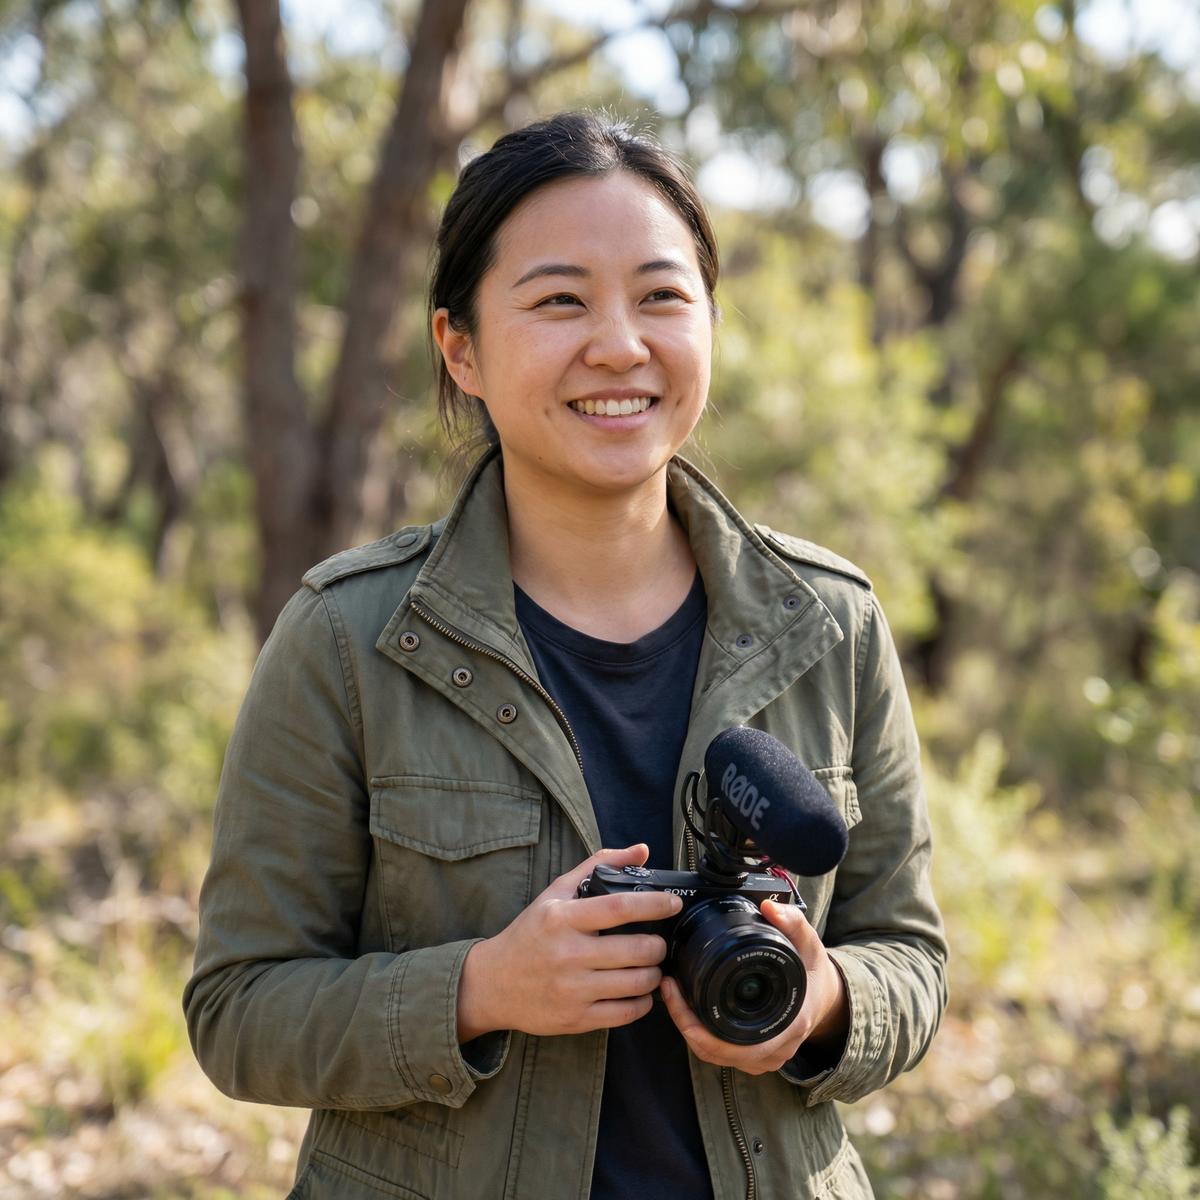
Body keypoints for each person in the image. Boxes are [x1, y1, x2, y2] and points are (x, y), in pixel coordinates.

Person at [183, 110, 947, 1200]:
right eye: (559, 300)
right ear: (462, 347)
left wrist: (820, 1004)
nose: (621, 345)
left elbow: (911, 959)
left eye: (662, 295)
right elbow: (238, 1009)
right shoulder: (349, 639)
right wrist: (481, 988)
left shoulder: (832, 622)